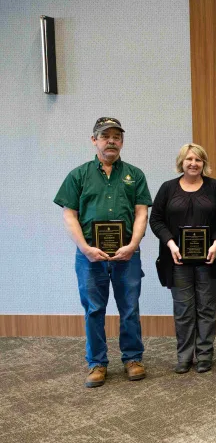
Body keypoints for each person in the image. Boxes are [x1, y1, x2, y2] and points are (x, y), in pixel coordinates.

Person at [54, 117, 153, 388]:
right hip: (89, 256)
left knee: (129, 309)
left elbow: (141, 213)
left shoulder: (135, 175)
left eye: (116, 137)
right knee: (94, 309)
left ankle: (133, 359)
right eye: (105, 136)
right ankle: (97, 363)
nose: (111, 141)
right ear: (94, 140)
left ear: (122, 142)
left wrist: (132, 245)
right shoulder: (78, 175)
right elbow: (69, 215)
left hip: (127, 255)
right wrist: (85, 248)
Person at [149, 143, 216, 374]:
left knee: (206, 308)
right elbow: (156, 220)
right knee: (183, 310)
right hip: (177, 260)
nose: (193, 163)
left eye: (198, 160)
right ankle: (184, 356)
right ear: (181, 162)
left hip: (209, 258)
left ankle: (204, 355)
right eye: (189, 159)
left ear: (204, 163)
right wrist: (171, 244)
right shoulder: (168, 188)